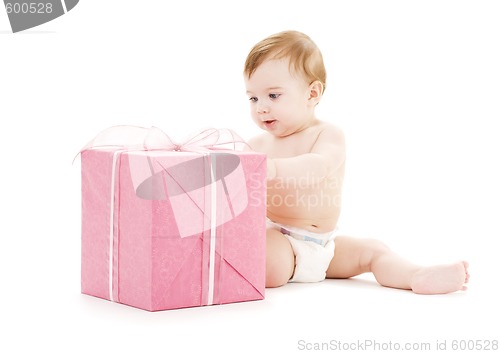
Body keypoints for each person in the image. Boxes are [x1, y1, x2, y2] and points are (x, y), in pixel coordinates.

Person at [244, 30, 469, 294]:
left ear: (312, 94)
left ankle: (415, 275)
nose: (261, 107)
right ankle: (244, 267)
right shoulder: (256, 145)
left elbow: (318, 166)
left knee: (373, 251)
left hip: (324, 245)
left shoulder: (326, 135)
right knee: (265, 253)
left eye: (273, 96)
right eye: (253, 98)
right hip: (280, 238)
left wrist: (273, 168)